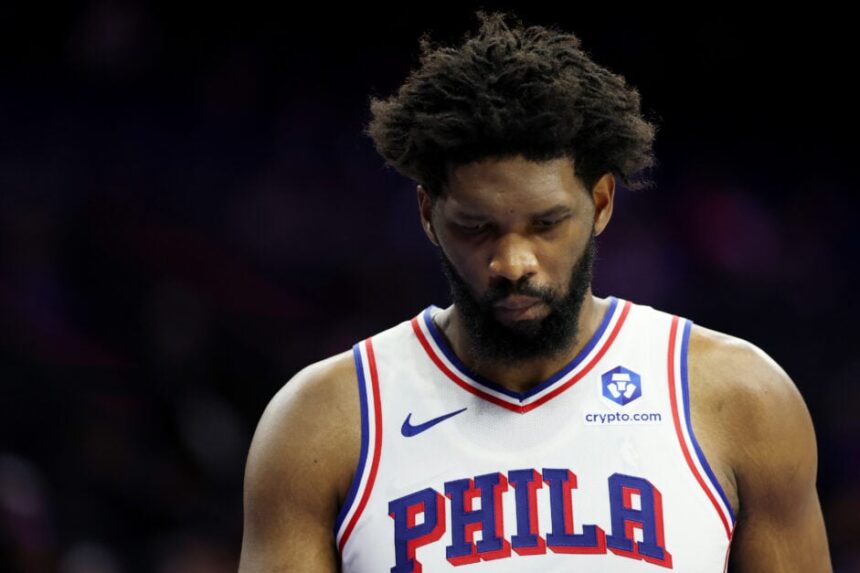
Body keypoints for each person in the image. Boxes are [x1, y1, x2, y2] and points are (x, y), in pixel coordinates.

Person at [238, 10, 832, 572]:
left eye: (546, 224)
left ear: (600, 203)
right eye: (476, 227)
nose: (512, 262)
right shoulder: (322, 420)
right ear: (427, 215)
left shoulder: (740, 398)